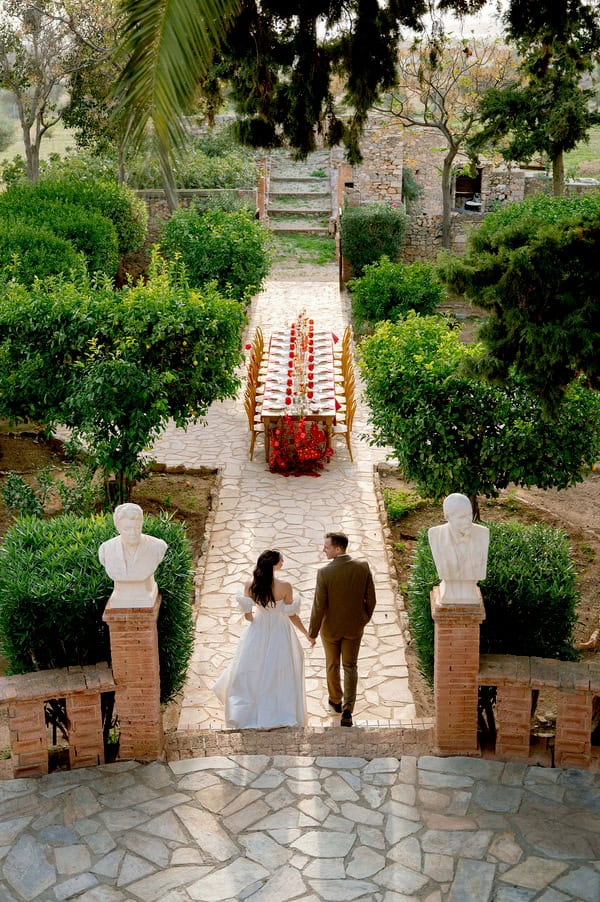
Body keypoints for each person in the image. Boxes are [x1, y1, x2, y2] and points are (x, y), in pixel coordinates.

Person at [213, 550, 315, 729]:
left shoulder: (250, 585)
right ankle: (279, 710)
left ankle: (249, 712)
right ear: (274, 565)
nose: (283, 562)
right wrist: (306, 633)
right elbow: (291, 615)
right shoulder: (285, 586)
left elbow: (247, 616)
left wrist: (258, 621)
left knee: (253, 671)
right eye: (281, 560)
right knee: (279, 671)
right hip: (280, 630)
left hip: (257, 629)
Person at [309, 532, 376, 727]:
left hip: (330, 630)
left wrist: (312, 633)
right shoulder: (362, 567)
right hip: (354, 628)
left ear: (338, 549)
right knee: (350, 666)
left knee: (332, 664)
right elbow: (371, 599)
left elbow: (318, 606)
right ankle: (348, 709)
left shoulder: (324, 573)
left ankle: (335, 702)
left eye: (327, 547)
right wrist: (363, 619)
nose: (324, 550)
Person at [98, 503, 167, 607]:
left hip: (145, 593)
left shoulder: (157, 546)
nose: (133, 533)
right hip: (120, 596)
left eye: (137, 527)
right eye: (127, 529)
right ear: (118, 528)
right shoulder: (106, 549)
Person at [428, 493, 489, 604]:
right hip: (448, 593)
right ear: (447, 517)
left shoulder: (483, 534)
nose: (467, 521)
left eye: (469, 515)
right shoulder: (435, 535)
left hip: (471, 595)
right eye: (461, 517)